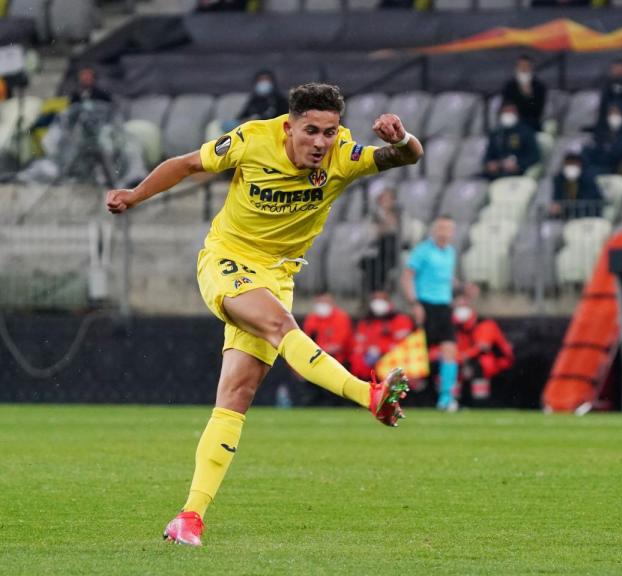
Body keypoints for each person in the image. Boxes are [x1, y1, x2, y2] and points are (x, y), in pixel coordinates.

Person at [105, 83, 421, 546]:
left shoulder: (344, 155)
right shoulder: (252, 139)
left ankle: (189, 517)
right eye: (311, 130)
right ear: (289, 126)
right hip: (227, 260)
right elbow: (187, 164)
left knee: (235, 395)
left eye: (329, 132)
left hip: (279, 277)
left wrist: (400, 138)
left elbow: (408, 156)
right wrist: (134, 195)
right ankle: (366, 394)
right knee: (280, 326)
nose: (320, 142)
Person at [401, 215, 461, 410]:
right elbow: (408, 276)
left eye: (448, 228)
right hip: (425, 305)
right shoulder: (423, 251)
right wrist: (415, 303)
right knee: (416, 353)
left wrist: (461, 288)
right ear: (435, 230)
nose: (444, 232)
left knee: (449, 350)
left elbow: (446, 278)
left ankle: (445, 399)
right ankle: (399, 395)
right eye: (441, 227)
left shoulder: (450, 252)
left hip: (444, 306)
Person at [452, 293, 513, 407]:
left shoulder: (485, 324)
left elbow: (483, 348)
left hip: (499, 362)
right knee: (451, 367)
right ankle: (454, 402)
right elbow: (460, 349)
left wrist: (462, 358)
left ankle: (480, 403)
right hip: (471, 360)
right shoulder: (459, 327)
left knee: (480, 364)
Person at [350, 291, 415, 380]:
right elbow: (358, 346)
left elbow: (404, 345)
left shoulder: (401, 320)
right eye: (376, 299)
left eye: (382, 299)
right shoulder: (365, 322)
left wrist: (381, 350)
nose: (378, 302)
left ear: (389, 302)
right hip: (369, 370)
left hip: (392, 366)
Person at [483, 102, 540, 180]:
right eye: (505, 112)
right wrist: (490, 163)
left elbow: (534, 157)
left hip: (518, 174)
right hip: (497, 172)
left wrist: (518, 165)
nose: (508, 115)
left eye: (511, 112)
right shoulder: (496, 134)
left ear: (517, 114)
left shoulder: (526, 132)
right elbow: (489, 155)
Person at [359, 185, 401, 292]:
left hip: (392, 249)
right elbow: (369, 234)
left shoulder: (400, 215)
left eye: (389, 198)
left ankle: (380, 291)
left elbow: (401, 232)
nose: (386, 201)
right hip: (376, 249)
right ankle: (373, 293)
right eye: (383, 198)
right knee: (369, 263)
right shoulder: (373, 216)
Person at [584, 103, 622, 176]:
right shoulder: (602, 131)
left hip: (614, 168)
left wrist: (606, 151)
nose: (613, 116)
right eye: (611, 113)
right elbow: (594, 148)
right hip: (596, 165)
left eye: (616, 113)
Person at [501, 55, 547, 133]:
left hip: (532, 122)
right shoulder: (510, 86)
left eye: (526, 66)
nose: (523, 69)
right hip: (513, 121)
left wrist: (528, 94)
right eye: (521, 66)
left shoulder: (538, 86)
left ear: (531, 68)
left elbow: (538, 110)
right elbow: (506, 105)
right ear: (517, 68)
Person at [549, 152, 601, 220]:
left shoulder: (589, 178)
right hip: (566, 216)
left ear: (580, 164)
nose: (571, 167)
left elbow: (589, 201)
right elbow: (556, 198)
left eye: (573, 164)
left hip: (589, 215)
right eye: (568, 164)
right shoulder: (559, 179)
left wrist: (564, 207)